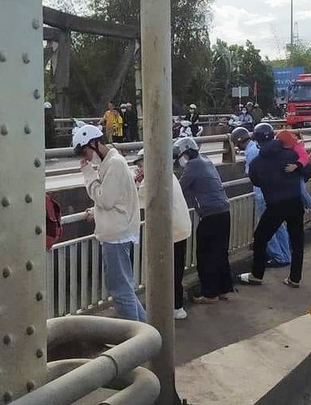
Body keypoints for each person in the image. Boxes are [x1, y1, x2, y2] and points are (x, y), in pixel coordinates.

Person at [72, 122, 145, 322]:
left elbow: (105, 199)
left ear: (94, 144)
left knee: (121, 293)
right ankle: (146, 334)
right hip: (119, 232)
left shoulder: (114, 164)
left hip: (117, 236)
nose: (86, 157)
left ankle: (136, 341)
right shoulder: (111, 162)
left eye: (85, 151)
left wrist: (88, 176)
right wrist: (95, 210)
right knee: (125, 289)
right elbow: (114, 199)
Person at [238, 123, 305, 288]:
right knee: (297, 242)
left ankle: (257, 275)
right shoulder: (290, 154)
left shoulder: (256, 163)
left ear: (258, 141)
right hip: (295, 202)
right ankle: (294, 279)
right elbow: (307, 170)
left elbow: (256, 182)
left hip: (275, 205)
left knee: (260, 238)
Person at [133, 148, 192, 320]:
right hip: (182, 226)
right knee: (177, 270)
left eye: (141, 164)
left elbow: (139, 202)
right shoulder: (168, 173)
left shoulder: (150, 179)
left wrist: (137, 183)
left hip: (169, 230)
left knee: (165, 272)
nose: (140, 168)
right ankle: (177, 307)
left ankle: (168, 309)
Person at [175, 136, 234, 303]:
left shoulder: (192, 166)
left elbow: (178, 188)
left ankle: (209, 293)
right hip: (223, 211)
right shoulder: (205, 160)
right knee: (220, 252)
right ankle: (223, 289)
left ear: (184, 154)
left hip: (210, 215)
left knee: (205, 253)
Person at [231, 126, 291, 268]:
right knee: (279, 226)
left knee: (264, 228)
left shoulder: (251, 152)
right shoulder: (260, 149)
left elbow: (250, 173)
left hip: (262, 194)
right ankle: (286, 255)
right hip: (275, 192)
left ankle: (278, 256)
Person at [275, 129, 311, 223]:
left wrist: (295, 166)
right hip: (288, 175)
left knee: (301, 191)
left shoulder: (297, 145)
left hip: (299, 172)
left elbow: (305, 157)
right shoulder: (279, 147)